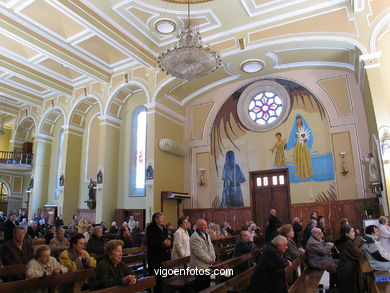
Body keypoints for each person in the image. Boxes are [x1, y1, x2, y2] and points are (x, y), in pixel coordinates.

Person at [335, 225, 365, 293]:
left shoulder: (343, 241)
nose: (354, 233)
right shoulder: (347, 243)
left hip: (345, 267)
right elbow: (359, 254)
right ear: (346, 234)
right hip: (349, 269)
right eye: (352, 232)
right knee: (351, 289)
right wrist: (361, 248)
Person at [146, 212, 171, 293]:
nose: (163, 219)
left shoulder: (163, 228)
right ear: (156, 219)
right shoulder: (151, 228)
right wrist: (163, 243)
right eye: (161, 218)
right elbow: (152, 242)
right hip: (155, 257)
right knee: (156, 278)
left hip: (164, 256)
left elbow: (166, 238)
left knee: (164, 277)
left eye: (163, 218)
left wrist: (168, 243)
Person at [190, 219, 216, 292]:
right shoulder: (195, 237)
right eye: (203, 225)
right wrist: (210, 260)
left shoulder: (207, 234)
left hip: (207, 265)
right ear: (198, 226)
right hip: (199, 266)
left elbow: (211, 247)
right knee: (200, 287)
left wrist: (213, 256)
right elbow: (199, 253)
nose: (206, 226)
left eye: (206, 225)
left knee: (207, 286)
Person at [286, 114, 313, 180]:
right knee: (299, 158)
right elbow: (292, 137)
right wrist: (287, 145)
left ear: (301, 120)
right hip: (298, 144)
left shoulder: (304, 127)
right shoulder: (295, 128)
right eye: (297, 120)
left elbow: (308, 134)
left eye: (299, 119)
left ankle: (306, 174)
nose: (298, 121)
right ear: (296, 121)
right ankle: (301, 174)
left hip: (304, 144)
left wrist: (305, 139)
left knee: (304, 158)